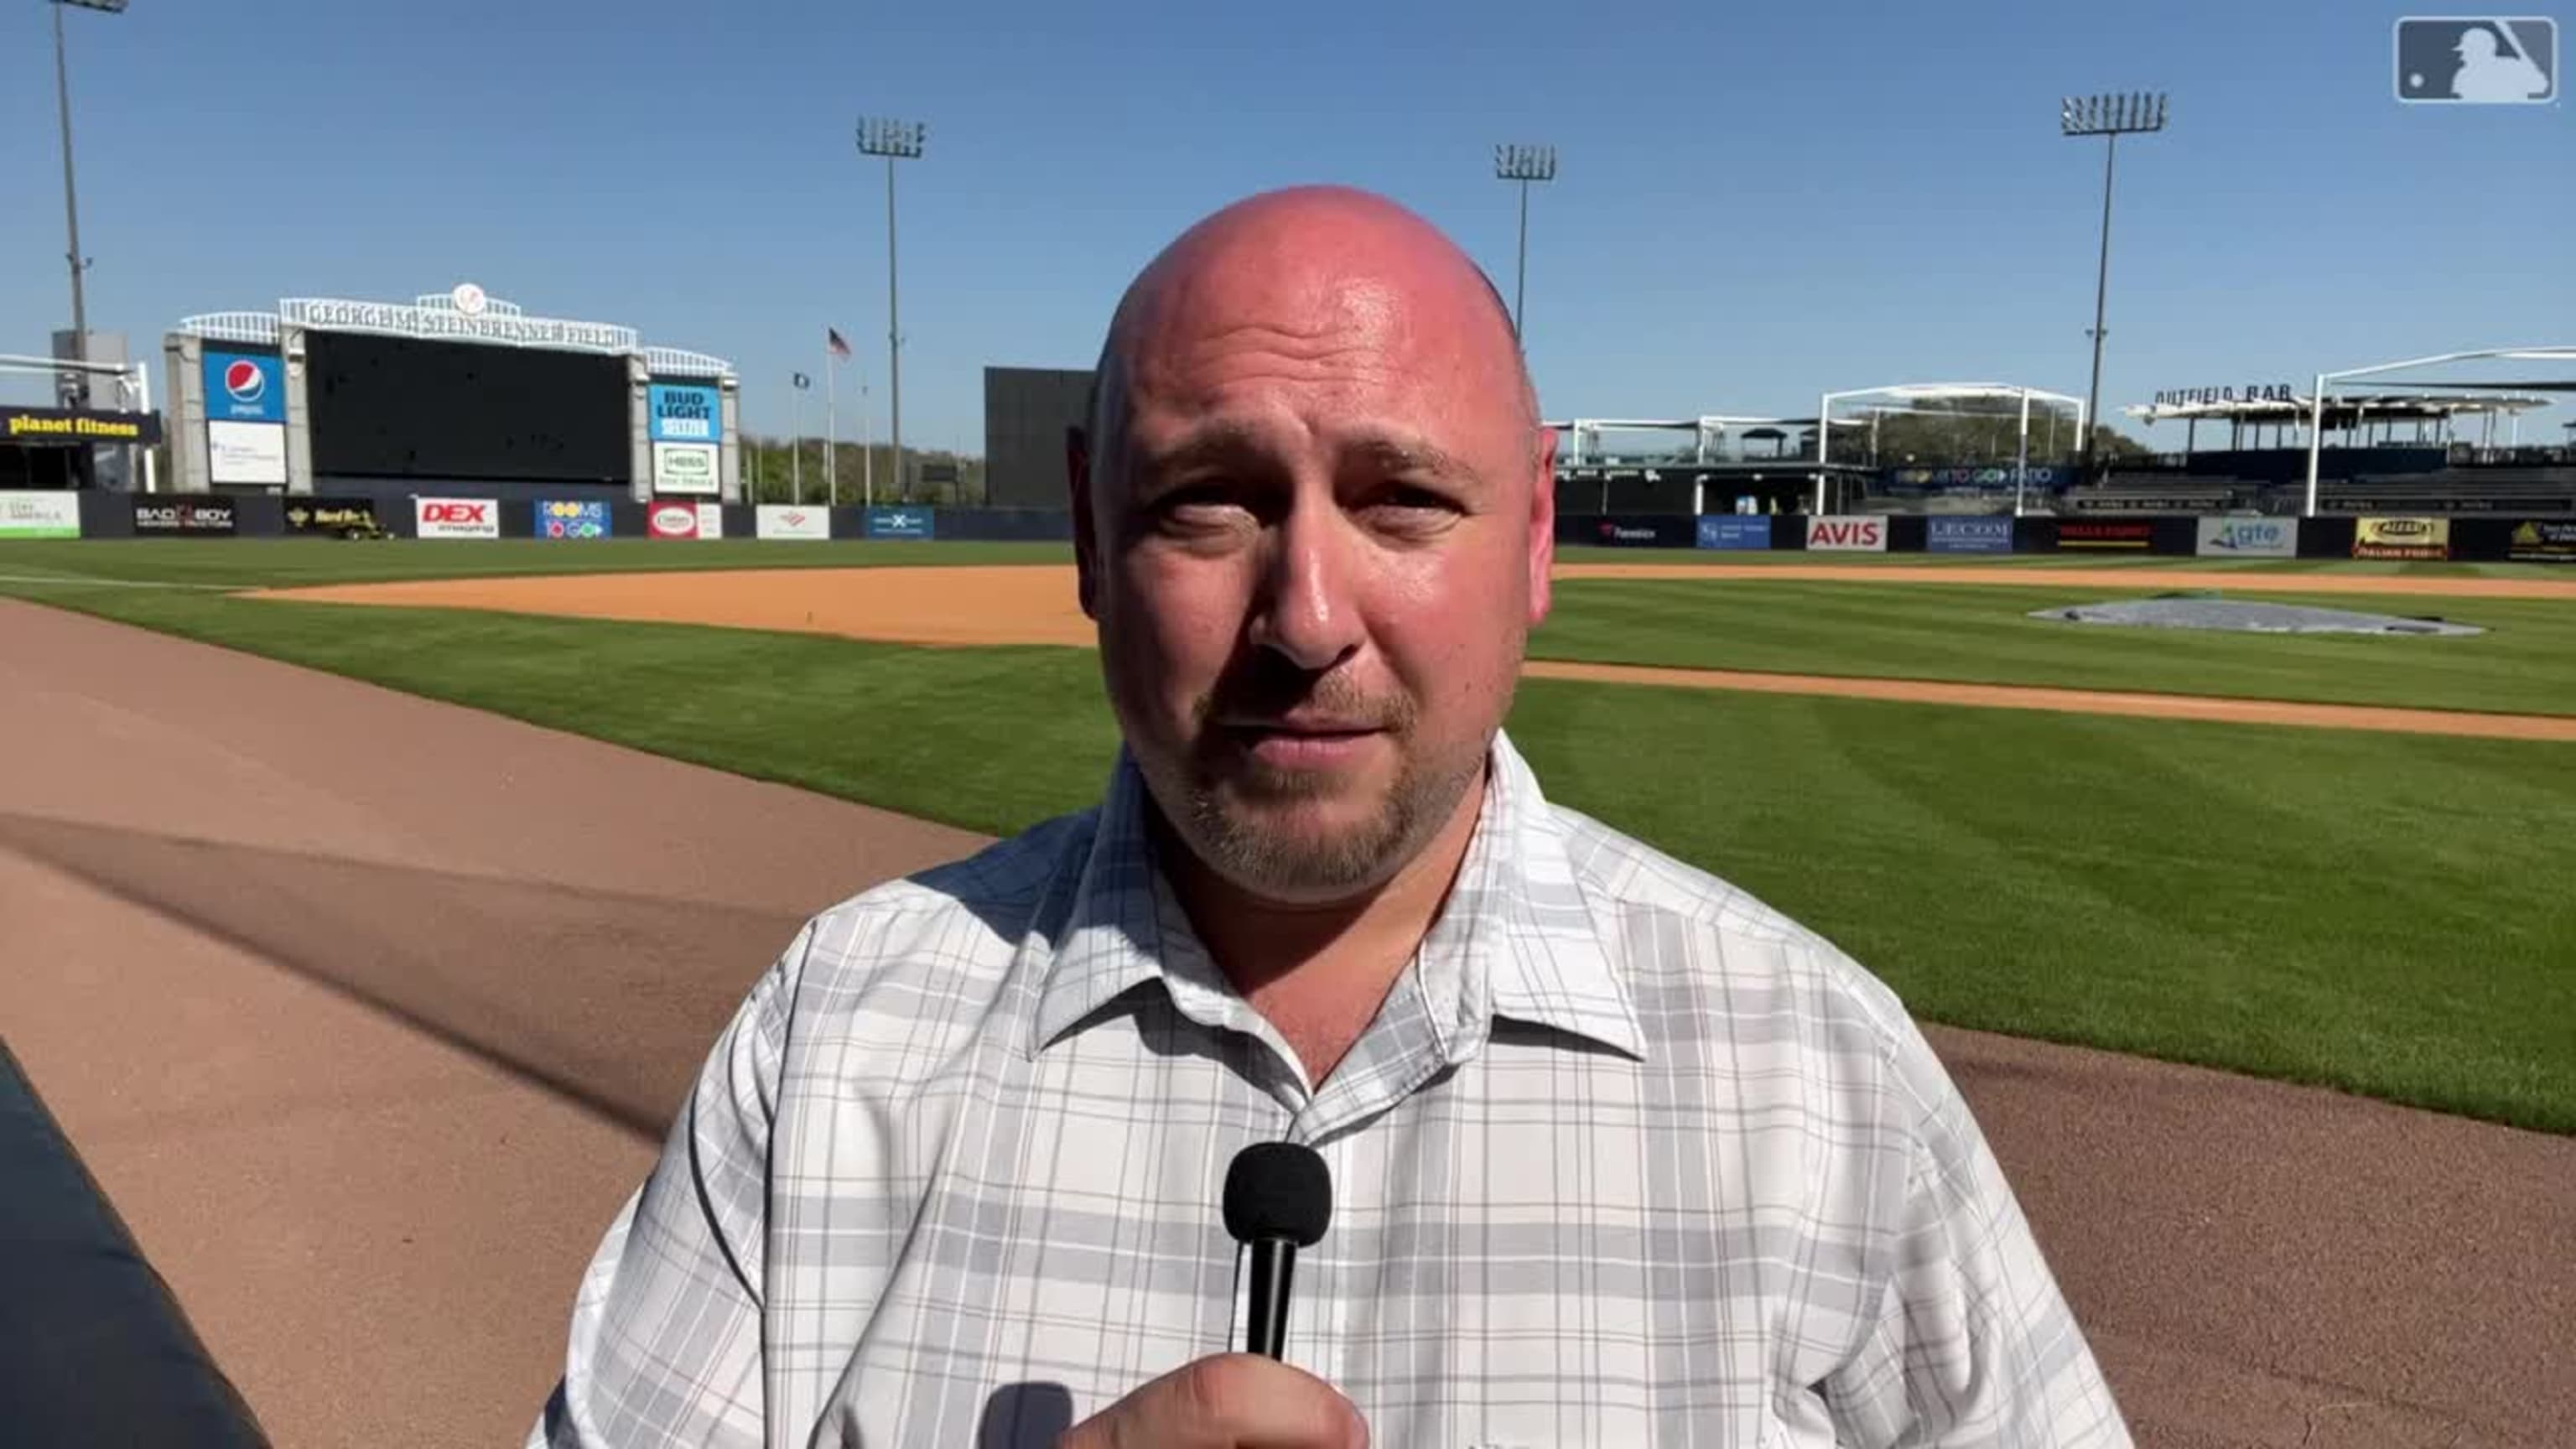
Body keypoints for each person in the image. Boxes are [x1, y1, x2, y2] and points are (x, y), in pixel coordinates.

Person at [530, 185, 2129, 1448]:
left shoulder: (1821, 1074)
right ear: (1092, 542)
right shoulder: (835, 1037)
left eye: (1404, 500)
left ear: (1536, 542)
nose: (1304, 616)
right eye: (1208, 500)